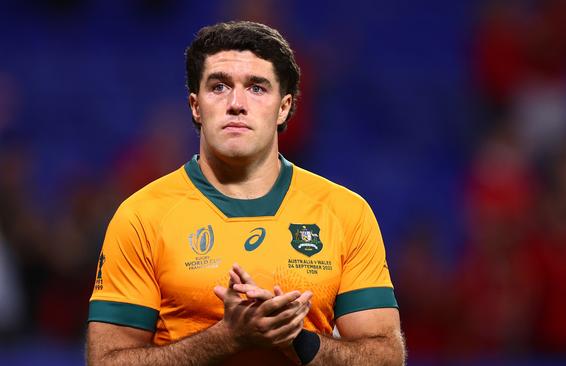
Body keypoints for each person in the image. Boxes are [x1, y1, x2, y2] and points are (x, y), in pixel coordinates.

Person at [85, 21, 405, 365]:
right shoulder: (141, 217)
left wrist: (295, 338)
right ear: (196, 106)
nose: (236, 103)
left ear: (283, 108)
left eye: (257, 88)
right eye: (219, 86)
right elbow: (106, 361)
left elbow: (385, 356)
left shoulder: (345, 213)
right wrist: (226, 338)